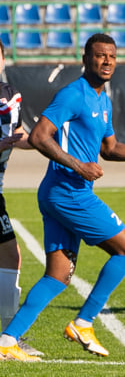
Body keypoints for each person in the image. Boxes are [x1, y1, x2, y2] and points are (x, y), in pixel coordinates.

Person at [0, 33, 125, 362]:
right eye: (100, 55)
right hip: (68, 191)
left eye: (112, 56)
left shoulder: (103, 101)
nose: (107, 61)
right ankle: (84, 321)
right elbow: (39, 136)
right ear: (86, 59)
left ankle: (7, 340)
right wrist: (78, 165)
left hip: (61, 192)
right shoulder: (73, 94)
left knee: (58, 276)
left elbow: (110, 149)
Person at [0, 39, 43, 358]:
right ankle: (7, 336)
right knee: (11, 256)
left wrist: (49, 143)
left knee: (10, 257)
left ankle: (7, 335)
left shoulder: (11, 94)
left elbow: (21, 137)